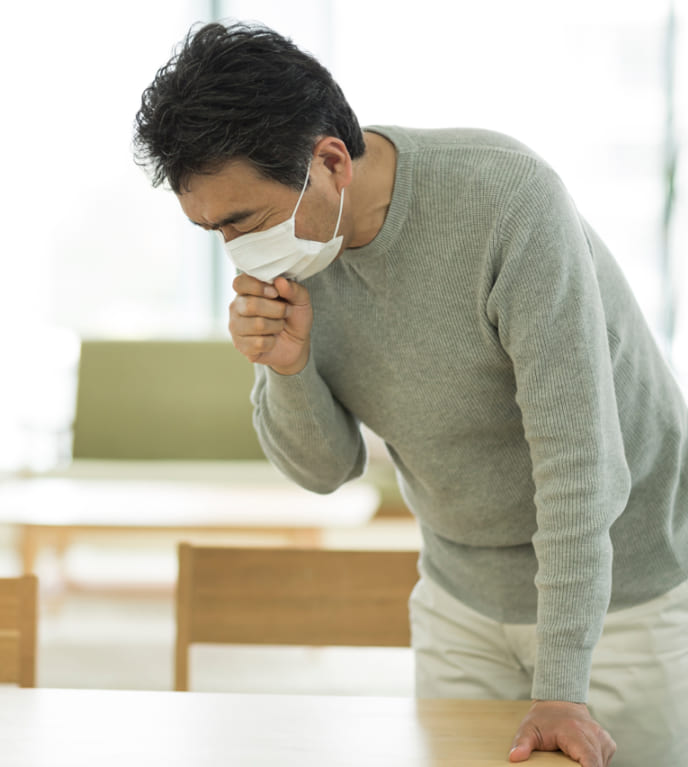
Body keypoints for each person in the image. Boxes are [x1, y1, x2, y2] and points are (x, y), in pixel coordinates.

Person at [133, 21, 688, 767]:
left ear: (330, 161)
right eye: (213, 230)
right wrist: (287, 367)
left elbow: (580, 462)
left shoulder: (506, 200)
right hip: (459, 592)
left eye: (244, 221)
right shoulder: (297, 258)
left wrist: (563, 682)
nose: (237, 250)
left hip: (625, 591)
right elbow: (326, 471)